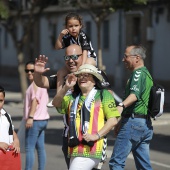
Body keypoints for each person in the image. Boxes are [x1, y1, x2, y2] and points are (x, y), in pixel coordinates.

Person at [34, 44, 117, 170]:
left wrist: (99, 133)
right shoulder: (66, 81)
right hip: (71, 139)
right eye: (67, 58)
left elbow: (109, 106)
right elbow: (42, 83)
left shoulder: (98, 81)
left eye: (74, 57)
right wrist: (38, 74)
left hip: (93, 143)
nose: (71, 61)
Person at [52, 64, 120, 170]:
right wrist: (66, 87)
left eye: (87, 75)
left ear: (94, 79)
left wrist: (96, 135)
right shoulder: (71, 97)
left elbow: (113, 120)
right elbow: (56, 103)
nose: (82, 77)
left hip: (93, 149)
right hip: (74, 149)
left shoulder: (103, 94)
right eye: (80, 75)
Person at [109, 45, 154, 170]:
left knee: (116, 163)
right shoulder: (147, 74)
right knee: (144, 166)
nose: (123, 59)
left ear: (137, 58)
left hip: (133, 124)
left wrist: (121, 106)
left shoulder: (138, 73)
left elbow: (134, 95)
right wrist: (121, 121)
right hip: (144, 125)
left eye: (126, 56)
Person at [53, 12, 97, 100]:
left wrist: (82, 67)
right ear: (66, 27)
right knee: (60, 73)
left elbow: (85, 51)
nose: (73, 29)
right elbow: (57, 47)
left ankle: (87, 92)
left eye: (76, 25)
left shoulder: (82, 36)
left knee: (85, 68)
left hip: (88, 58)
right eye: (70, 26)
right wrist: (60, 36)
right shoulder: (67, 37)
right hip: (75, 61)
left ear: (80, 26)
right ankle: (58, 96)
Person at [24, 61, 50, 170]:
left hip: (35, 120)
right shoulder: (41, 83)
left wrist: (30, 117)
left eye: (32, 70)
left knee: (29, 148)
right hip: (43, 120)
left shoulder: (35, 84)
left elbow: (34, 100)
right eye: (27, 70)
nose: (29, 73)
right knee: (40, 148)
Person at [0, 85, 20, 154]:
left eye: (1, 101)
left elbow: (10, 129)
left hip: (6, 156)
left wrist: (16, 140)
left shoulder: (6, 115)